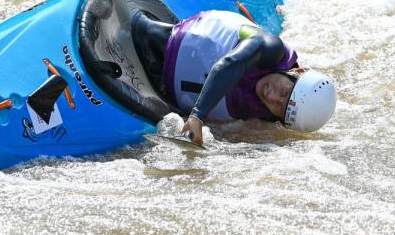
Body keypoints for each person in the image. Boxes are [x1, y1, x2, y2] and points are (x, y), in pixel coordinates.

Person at [131, 9, 337, 145]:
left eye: (280, 107)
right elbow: (230, 64)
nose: (273, 97)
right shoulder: (271, 49)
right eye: (284, 92)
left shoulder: (265, 116)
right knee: (136, 28)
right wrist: (197, 116)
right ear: (297, 72)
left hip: (167, 89)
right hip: (168, 42)